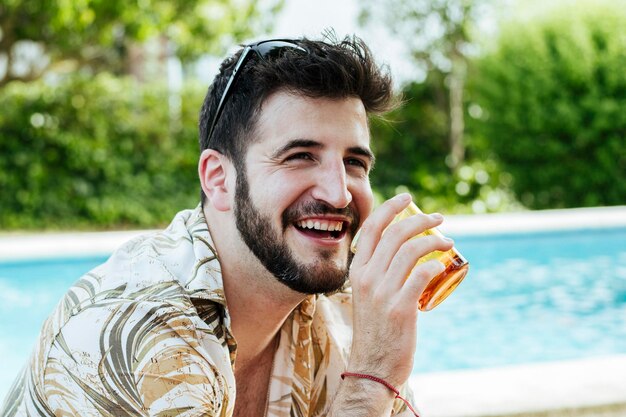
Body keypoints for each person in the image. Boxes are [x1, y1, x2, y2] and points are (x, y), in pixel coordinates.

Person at [1, 34, 454, 417]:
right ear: (218, 179)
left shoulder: (345, 308)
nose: (338, 193)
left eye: (354, 162)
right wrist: (371, 382)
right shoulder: (134, 329)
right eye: (300, 156)